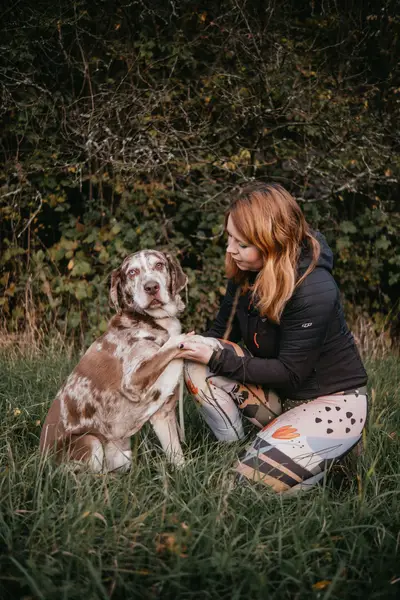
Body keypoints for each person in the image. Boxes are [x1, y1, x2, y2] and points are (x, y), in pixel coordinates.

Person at [177, 182, 368, 494]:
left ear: (271, 241)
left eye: (241, 243)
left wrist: (216, 356)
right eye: (229, 238)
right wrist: (193, 347)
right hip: (279, 395)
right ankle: (232, 451)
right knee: (198, 362)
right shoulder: (244, 273)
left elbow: (292, 374)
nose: (229, 249)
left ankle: (336, 457)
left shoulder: (314, 288)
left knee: (246, 490)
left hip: (333, 403)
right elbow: (221, 336)